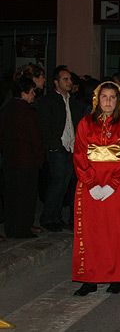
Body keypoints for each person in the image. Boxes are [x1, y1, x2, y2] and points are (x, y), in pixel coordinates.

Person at [71, 82, 120, 296]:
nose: (108, 101)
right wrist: (91, 183)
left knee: (117, 231)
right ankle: (90, 278)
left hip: (118, 185)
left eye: (112, 97)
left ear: (118, 101)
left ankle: (117, 276)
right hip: (91, 182)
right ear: (97, 99)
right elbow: (79, 153)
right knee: (91, 231)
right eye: (104, 97)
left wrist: (113, 184)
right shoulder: (86, 123)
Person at [36, 66, 84, 232]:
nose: (69, 82)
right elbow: (45, 126)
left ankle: (57, 217)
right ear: (56, 82)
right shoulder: (49, 101)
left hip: (71, 147)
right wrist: (55, 145)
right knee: (58, 183)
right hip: (58, 147)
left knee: (67, 184)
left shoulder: (74, 101)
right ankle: (49, 218)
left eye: (70, 79)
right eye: (65, 79)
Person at [0, 76, 45, 238]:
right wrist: (39, 157)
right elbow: (35, 138)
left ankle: (11, 228)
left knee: (11, 195)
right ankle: (22, 229)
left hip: (10, 158)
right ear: (24, 93)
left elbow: (3, 136)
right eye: (32, 92)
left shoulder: (6, 110)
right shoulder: (28, 112)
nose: (34, 95)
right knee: (26, 196)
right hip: (27, 160)